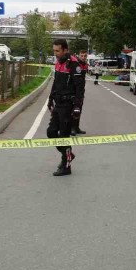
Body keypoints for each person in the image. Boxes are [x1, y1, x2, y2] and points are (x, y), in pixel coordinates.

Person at [47, 39, 84, 176]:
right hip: (58, 103)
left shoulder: (74, 64)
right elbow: (55, 83)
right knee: (51, 132)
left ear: (65, 50)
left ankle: (66, 166)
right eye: (54, 50)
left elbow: (79, 89)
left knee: (64, 135)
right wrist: (50, 99)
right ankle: (68, 153)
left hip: (68, 105)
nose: (55, 53)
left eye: (58, 51)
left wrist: (77, 107)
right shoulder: (58, 63)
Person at [71, 50, 88, 136]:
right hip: (75, 91)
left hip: (81, 90)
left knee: (79, 109)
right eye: (82, 56)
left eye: (85, 56)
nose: (83, 57)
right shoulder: (76, 64)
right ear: (79, 55)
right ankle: (72, 128)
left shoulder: (85, 65)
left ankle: (77, 127)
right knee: (75, 109)